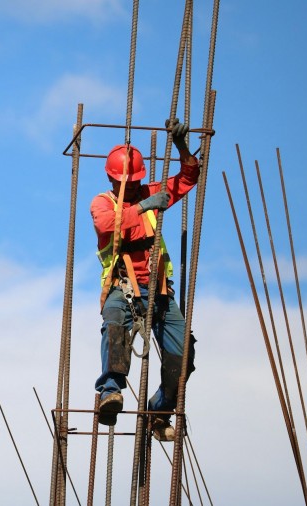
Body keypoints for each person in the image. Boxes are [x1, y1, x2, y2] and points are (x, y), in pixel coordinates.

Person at [90, 119, 198, 441]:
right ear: (113, 178)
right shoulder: (102, 203)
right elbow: (107, 225)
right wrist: (142, 205)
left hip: (159, 291)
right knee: (114, 323)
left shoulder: (150, 193)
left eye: (137, 181)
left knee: (183, 360)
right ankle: (111, 390)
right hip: (122, 287)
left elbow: (187, 178)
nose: (135, 186)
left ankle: (158, 411)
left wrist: (181, 148)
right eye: (129, 182)